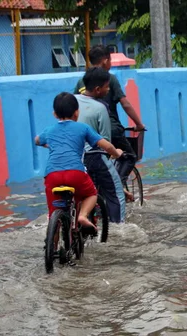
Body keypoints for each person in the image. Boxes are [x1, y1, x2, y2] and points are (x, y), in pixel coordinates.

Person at [35, 92, 123, 233]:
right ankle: (82, 216)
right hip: (75, 173)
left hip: (52, 175)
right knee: (92, 194)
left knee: (53, 213)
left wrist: (50, 144)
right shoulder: (83, 128)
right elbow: (105, 145)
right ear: (77, 113)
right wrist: (116, 153)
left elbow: (37, 140)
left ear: (54, 114)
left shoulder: (49, 130)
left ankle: (53, 245)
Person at [74, 45, 145, 188]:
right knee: (129, 157)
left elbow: (75, 104)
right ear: (106, 61)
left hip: (88, 131)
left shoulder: (83, 80)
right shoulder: (109, 79)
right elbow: (125, 104)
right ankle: (117, 183)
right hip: (110, 129)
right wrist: (139, 124)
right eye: (110, 60)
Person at [75, 67, 127, 224]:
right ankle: (120, 229)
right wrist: (115, 152)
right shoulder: (101, 107)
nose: (108, 89)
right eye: (106, 86)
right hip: (95, 157)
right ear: (98, 89)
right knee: (116, 194)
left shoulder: (72, 100)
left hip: (75, 158)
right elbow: (105, 141)